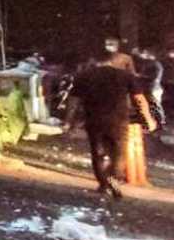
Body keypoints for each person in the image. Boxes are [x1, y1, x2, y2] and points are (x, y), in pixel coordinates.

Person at [66, 50, 157, 198]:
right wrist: (148, 119)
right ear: (121, 64)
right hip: (118, 120)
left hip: (93, 119)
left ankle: (103, 184)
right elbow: (139, 99)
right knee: (118, 152)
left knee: (97, 152)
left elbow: (73, 100)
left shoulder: (86, 75)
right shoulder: (126, 76)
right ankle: (113, 179)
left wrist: (69, 121)